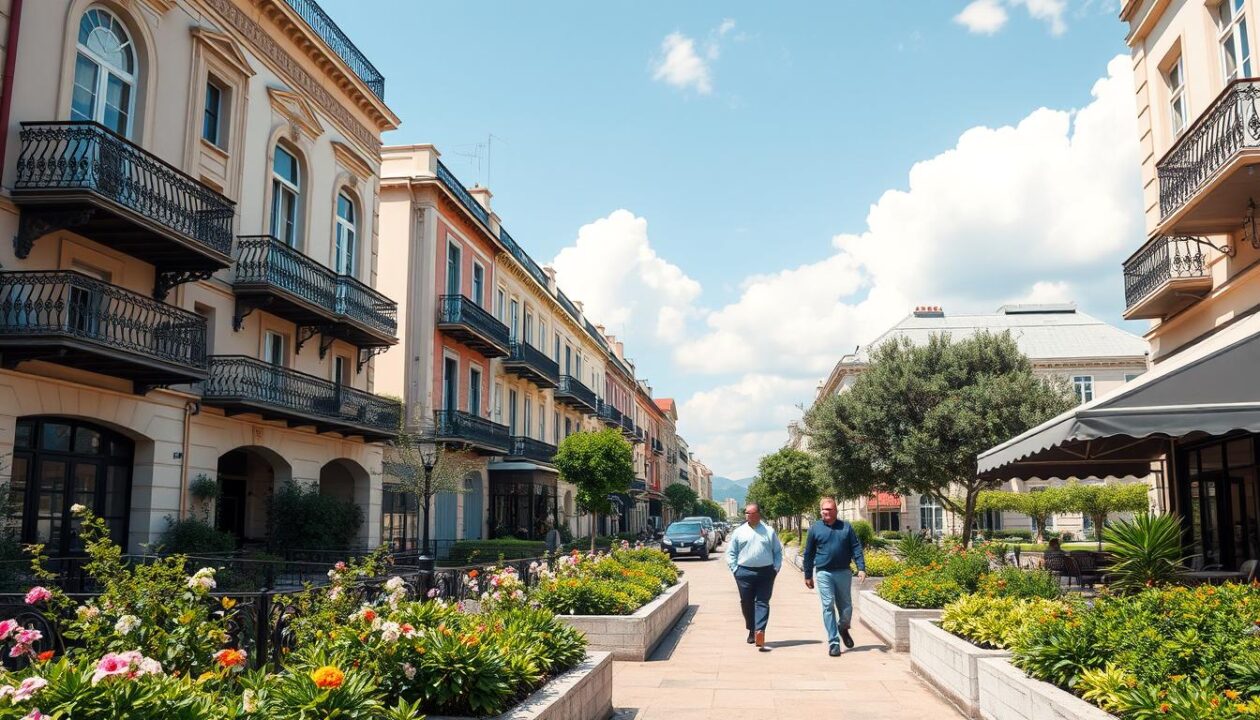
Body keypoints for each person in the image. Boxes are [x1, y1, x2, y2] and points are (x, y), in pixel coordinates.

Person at [803, 497, 866, 657]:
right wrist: (808, 574)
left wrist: (861, 568)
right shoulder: (815, 529)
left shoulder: (846, 527)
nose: (826, 512)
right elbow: (808, 553)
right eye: (824, 510)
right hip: (824, 572)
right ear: (821, 511)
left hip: (843, 572)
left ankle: (843, 627)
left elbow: (856, 547)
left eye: (829, 510)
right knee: (828, 605)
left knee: (846, 607)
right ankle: (834, 642)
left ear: (836, 511)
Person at [725, 503, 782, 649]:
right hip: (744, 573)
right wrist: (735, 569)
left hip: (766, 572)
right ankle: (751, 628)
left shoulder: (769, 531)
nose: (748, 515)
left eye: (751, 513)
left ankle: (760, 631)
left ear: (758, 514)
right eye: (746, 513)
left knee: (762, 602)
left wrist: (776, 568)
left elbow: (777, 551)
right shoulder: (739, 532)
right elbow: (731, 552)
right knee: (746, 602)